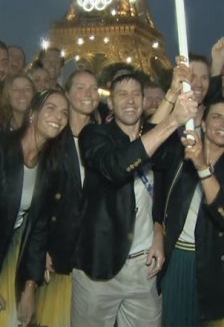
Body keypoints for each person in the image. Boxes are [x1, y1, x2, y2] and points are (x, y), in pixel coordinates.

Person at [71, 72, 197, 327]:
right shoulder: (94, 135)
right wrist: (173, 120)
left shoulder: (155, 138)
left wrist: (158, 228)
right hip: (99, 266)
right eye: (122, 94)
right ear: (111, 102)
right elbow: (118, 165)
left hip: (145, 266)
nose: (130, 100)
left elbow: (162, 189)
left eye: (136, 94)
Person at [0, 89, 70, 327]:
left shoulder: (50, 167)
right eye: (50, 108)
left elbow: (39, 230)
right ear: (32, 114)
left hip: (12, 252)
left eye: (64, 112)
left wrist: (30, 288)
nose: (59, 116)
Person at [157, 99, 224, 327]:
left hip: (218, 269)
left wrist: (203, 166)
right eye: (216, 116)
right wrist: (156, 230)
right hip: (178, 259)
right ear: (202, 121)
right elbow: (157, 192)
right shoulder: (179, 155)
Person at [35, 70, 101, 327]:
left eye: (94, 87)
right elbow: (38, 199)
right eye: (81, 87)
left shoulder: (106, 139)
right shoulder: (50, 140)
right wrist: (39, 248)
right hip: (58, 250)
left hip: (94, 254)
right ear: (67, 93)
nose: (88, 93)